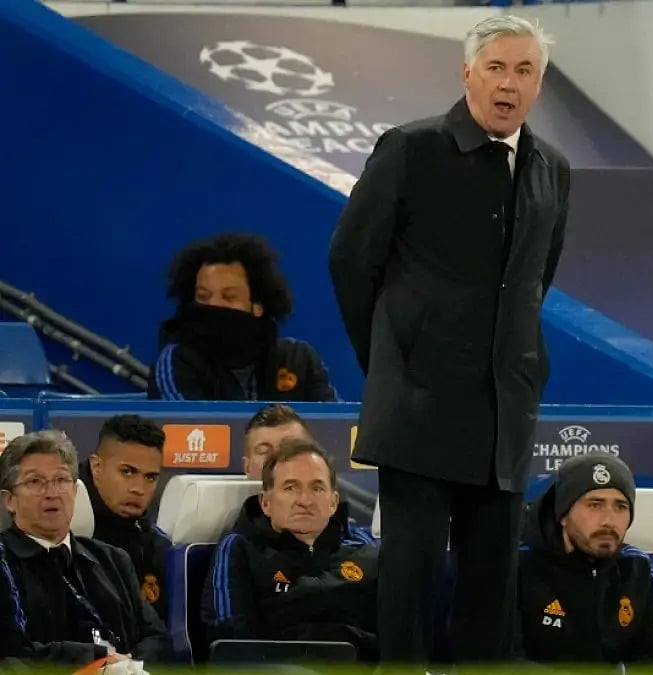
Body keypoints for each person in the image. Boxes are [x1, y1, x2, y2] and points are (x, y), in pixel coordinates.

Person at [328, 14, 571, 666]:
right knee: (409, 582)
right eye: (495, 67)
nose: (508, 83)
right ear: (467, 72)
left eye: (524, 71)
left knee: (490, 589)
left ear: (539, 84)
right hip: (419, 406)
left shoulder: (553, 169)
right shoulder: (411, 150)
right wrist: (390, 356)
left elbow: (533, 284)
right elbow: (351, 260)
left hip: (503, 415)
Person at [0, 430, 169, 665]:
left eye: (61, 480)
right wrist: (98, 662)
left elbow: (157, 637)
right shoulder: (4, 562)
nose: (52, 494)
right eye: (35, 482)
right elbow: (12, 653)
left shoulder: (113, 559)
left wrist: (131, 666)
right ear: (9, 500)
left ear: (75, 491)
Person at [202, 438, 378, 662]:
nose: (305, 500)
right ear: (266, 502)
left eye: (317, 487)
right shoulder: (240, 548)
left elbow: (397, 626)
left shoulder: (365, 550)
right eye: (290, 487)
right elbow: (231, 636)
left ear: (333, 502)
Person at [516, 452, 653, 665]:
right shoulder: (517, 566)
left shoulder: (635, 568)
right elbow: (499, 660)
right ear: (562, 514)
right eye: (594, 504)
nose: (608, 521)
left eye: (620, 506)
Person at [149, 232, 337, 402]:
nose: (214, 305)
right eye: (203, 297)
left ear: (258, 306)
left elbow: (336, 428)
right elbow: (185, 430)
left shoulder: (299, 359)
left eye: (229, 297)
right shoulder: (176, 362)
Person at [241, 404, 375, 546]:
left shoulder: (357, 543)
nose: (278, 458)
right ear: (247, 467)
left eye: (291, 448)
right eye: (264, 451)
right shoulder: (239, 549)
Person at [80, 415, 170, 620]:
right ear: (96, 467)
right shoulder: (62, 532)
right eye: (127, 472)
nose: (139, 489)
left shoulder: (156, 547)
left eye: (150, 477)